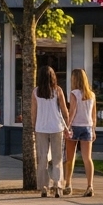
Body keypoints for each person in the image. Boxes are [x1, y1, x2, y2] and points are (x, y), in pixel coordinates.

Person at [34, 65, 70, 198]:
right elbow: (64, 110)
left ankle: (43, 187)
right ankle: (58, 186)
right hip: (56, 127)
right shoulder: (57, 90)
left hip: (41, 127)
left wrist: (34, 127)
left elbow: (34, 112)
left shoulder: (35, 92)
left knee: (42, 158)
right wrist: (68, 125)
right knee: (57, 158)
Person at [62, 68, 96, 197]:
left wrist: (67, 127)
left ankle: (68, 184)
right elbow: (93, 115)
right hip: (87, 126)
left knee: (70, 158)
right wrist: (93, 130)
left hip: (75, 126)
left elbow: (72, 111)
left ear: (74, 79)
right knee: (87, 158)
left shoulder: (74, 93)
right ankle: (90, 186)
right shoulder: (91, 95)